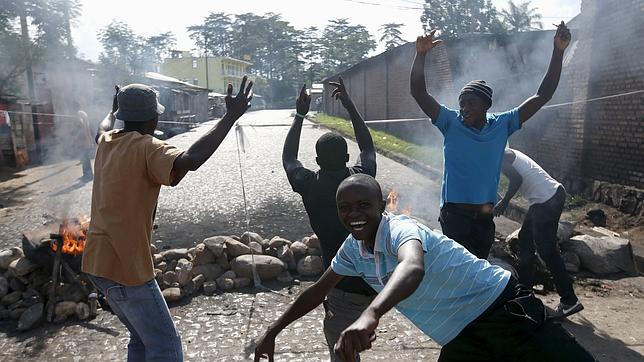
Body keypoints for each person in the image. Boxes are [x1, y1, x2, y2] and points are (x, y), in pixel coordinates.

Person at [254, 174, 595, 362]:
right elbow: (318, 291)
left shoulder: (401, 229)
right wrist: (273, 330)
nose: (354, 214)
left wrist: (371, 313)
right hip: (462, 336)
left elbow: (412, 267)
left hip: (504, 311)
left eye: (363, 205)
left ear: (380, 206)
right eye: (345, 208)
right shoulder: (354, 250)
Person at [83, 78, 253, 361]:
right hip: (128, 267)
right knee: (165, 345)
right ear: (154, 118)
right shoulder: (148, 147)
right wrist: (229, 116)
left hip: (97, 264)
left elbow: (100, 129)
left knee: (141, 339)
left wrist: (113, 111)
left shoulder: (107, 141)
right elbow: (191, 158)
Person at [410, 23, 571, 259]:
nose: (464, 108)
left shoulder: (502, 124)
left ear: (487, 106)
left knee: (479, 278)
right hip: (455, 219)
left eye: (471, 103)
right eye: (462, 102)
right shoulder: (450, 122)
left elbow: (542, 95)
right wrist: (420, 55)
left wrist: (558, 51)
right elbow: (419, 92)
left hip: (484, 221)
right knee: (459, 275)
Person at [282, 78, 377, 361]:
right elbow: (368, 148)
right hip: (375, 283)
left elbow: (288, 158)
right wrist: (351, 107)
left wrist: (300, 115)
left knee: (344, 353)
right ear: (347, 157)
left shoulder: (309, 184)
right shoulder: (362, 179)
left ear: (318, 161)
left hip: (341, 288)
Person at [494, 148, 582, 318]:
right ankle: (525, 292)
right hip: (546, 198)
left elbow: (516, 179)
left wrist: (504, 202)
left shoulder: (499, 154)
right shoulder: (505, 153)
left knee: (547, 251)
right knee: (525, 239)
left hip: (546, 200)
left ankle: (570, 301)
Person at [73, 101, 94, 181]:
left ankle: (88, 175)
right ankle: (87, 174)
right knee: (84, 158)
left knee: (85, 158)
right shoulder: (82, 113)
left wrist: (79, 139)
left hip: (84, 140)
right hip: (84, 139)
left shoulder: (79, 114)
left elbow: (82, 127)